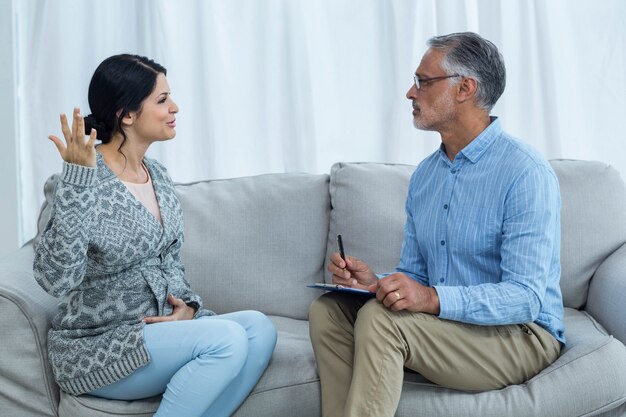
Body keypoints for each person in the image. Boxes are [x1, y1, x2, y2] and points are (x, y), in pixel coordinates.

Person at [309, 32, 565, 417]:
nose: (410, 93)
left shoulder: (525, 172)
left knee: (382, 322)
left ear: (465, 88)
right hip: (449, 328)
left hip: (521, 336)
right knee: (329, 311)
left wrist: (430, 299)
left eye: (423, 82)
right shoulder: (427, 176)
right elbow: (416, 274)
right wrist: (376, 284)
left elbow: (526, 297)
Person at [34, 54, 277, 417]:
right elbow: (57, 279)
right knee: (226, 340)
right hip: (98, 346)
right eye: (162, 100)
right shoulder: (78, 180)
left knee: (259, 329)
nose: (175, 107)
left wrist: (188, 308)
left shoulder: (158, 176)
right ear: (127, 114)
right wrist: (77, 179)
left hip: (162, 332)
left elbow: (171, 261)